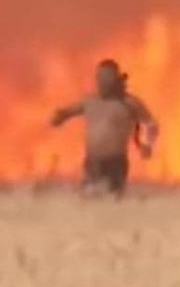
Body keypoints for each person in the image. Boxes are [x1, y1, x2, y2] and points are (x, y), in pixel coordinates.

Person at [50, 59, 159, 195]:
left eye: (107, 77)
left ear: (116, 79)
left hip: (115, 163)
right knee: (90, 198)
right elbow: (67, 112)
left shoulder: (129, 103)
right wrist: (59, 117)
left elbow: (151, 124)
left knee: (111, 198)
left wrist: (146, 144)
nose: (102, 81)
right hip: (92, 162)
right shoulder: (89, 101)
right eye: (99, 77)